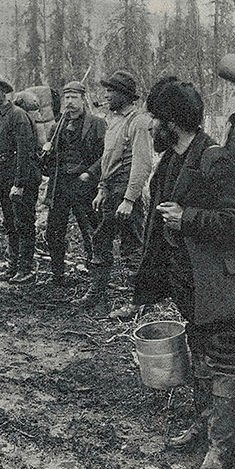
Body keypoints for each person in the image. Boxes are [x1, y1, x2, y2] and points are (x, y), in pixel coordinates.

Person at [133, 76, 235, 469]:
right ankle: (204, 425)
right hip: (189, 282)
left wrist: (187, 218)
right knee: (200, 355)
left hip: (218, 283)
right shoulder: (171, 160)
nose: (150, 126)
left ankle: (223, 444)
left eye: (154, 118)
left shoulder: (216, 160)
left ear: (172, 121)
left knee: (223, 359)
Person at [77, 69, 153, 313]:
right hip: (111, 191)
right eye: (107, 90)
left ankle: (139, 302)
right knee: (101, 239)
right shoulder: (114, 120)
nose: (106, 95)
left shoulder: (138, 122)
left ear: (125, 95)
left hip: (126, 193)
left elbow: (142, 164)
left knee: (132, 247)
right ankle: (97, 295)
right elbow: (108, 159)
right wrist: (101, 189)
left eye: (111, 91)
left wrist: (130, 199)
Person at [41, 79, 106, 286]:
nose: (69, 101)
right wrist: (47, 152)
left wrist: (90, 173)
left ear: (82, 99)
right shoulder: (56, 126)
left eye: (74, 97)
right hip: (60, 185)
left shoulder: (96, 124)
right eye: (66, 97)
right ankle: (58, 275)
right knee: (54, 230)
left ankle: (95, 273)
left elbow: (105, 156)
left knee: (90, 229)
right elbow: (50, 163)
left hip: (84, 185)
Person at [0, 73, 41, 285]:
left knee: (24, 222)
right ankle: (13, 267)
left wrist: (19, 184)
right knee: (10, 223)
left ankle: (26, 269)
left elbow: (24, 152)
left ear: (4, 93)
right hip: (5, 178)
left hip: (22, 179)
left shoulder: (17, 115)